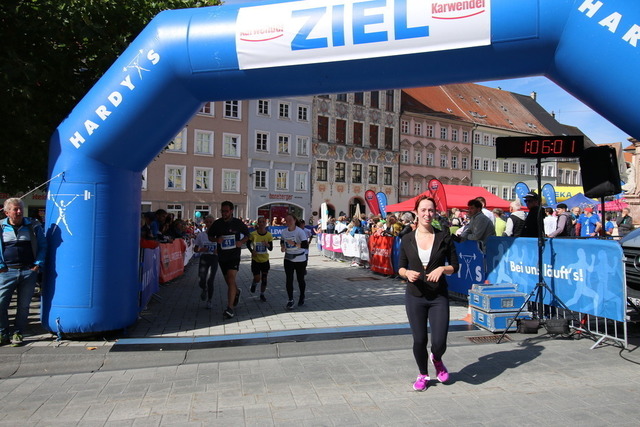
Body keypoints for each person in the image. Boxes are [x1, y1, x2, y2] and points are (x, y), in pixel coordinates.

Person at [398, 196, 459, 392]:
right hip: (415, 295)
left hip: (438, 295)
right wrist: (407, 273)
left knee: (439, 341)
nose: (427, 214)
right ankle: (423, 374)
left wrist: (442, 269)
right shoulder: (407, 238)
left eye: (431, 210)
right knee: (419, 340)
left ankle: (437, 358)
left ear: (435, 212)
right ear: (416, 212)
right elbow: (400, 267)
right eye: (423, 210)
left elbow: (455, 266)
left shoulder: (444, 236)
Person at [0, 198, 47, 346]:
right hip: (6, 271)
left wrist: (37, 265)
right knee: (1, 303)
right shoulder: (1, 227)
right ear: (7, 212)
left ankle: (18, 332)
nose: (19, 211)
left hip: (28, 271)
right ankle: (3, 333)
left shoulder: (33, 226)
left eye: (20, 208)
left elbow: (43, 246)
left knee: (23, 306)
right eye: (15, 209)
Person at [208, 201, 249, 319]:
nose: (224, 213)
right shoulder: (217, 224)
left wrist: (241, 242)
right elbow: (210, 236)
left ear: (231, 211)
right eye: (222, 211)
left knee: (231, 279)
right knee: (229, 281)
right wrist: (217, 240)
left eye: (226, 211)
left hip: (234, 256)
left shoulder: (238, 223)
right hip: (222, 256)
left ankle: (230, 308)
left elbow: (248, 235)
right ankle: (236, 292)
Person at [280, 214, 309, 310]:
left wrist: (295, 244)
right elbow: (282, 241)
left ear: (294, 220)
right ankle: (290, 299)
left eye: (290, 220)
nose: (288, 222)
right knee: (289, 279)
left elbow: (305, 245)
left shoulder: (299, 231)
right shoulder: (284, 232)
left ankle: (302, 296)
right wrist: (282, 247)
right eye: (286, 220)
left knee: (300, 279)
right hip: (288, 258)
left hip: (300, 258)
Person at [193, 215, 218, 309]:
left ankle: (209, 300)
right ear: (204, 223)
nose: (209, 224)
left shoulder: (218, 235)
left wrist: (218, 250)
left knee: (211, 280)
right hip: (204, 258)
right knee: (201, 280)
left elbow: (223, 247)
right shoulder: (201, 235)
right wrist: (201, 249)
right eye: (207, 222)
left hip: (214, 258)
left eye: (211, 222)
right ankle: (204, 288)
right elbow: (195, 249)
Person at [247, 217, 273, 302]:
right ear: (258, 224)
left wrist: (267, 245)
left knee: (264, 279)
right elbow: (247, 244)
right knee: (257, 278)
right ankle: (254, 283)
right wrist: (252, 251)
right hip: (256, 260)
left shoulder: (269, 235)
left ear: (265, 223)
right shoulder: (253, 234)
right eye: (260, 222)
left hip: (265, 260)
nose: (262, 224)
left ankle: (262, 294)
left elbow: (271, 248)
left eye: (263, 222)